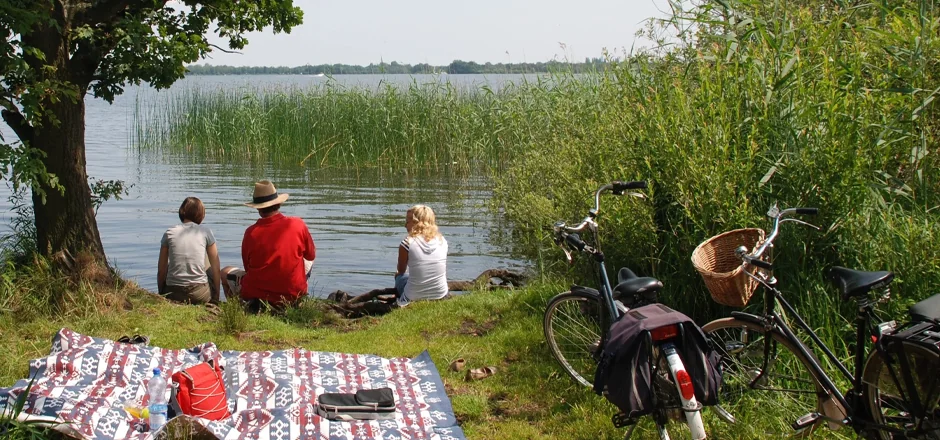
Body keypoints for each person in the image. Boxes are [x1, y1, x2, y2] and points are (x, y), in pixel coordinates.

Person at [221, 180, 315, 310]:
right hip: (293, 294)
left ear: (258, 208)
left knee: (224, 273)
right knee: (307, 261)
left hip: (257, 293)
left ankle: (237, 311)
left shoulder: (251, 233)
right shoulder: (298, 224)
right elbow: (310, 256)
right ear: (278, 203)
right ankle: (296, 297)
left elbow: (248, 268)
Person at [157, 197, 221, 304]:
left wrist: (162, 293)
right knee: (208, 262)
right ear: (200, 214)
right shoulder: (205, 232)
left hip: (173, 293)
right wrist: (216, 295)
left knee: (169, 266)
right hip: (199, 294)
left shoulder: (169, 233)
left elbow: (161, 270)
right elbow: (216, 269)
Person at [395, 205, 448, 306]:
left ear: (416, 222)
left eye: (407, 221)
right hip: (441, 295)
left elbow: (400, 270)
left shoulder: (406, 243)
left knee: (400, 276)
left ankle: (402, 298)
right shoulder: (442, 241)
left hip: (411, 298)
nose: (405, 225)